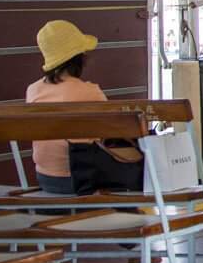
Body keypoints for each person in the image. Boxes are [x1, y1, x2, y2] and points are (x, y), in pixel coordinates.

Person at [26, 20, 146, 195]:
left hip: (45, 178)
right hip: (81, 180)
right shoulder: (89, 92)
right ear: (78, 58)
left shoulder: (33, 90)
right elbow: (114, 130)